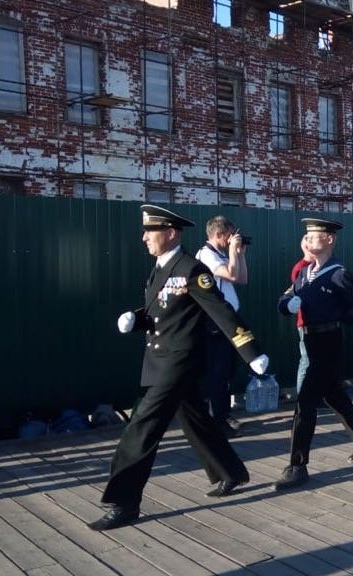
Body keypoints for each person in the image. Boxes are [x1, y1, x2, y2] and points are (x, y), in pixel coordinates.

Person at [89, 205, 269, 531]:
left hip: (179, 362)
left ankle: (124, 502)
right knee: (196, 420)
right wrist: (137, 319)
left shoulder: (191, 269)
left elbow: (220, 310)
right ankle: (231, 472)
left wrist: (249, 349)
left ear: (170, 233)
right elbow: (164, 311)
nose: (144, 237)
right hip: (161, 358)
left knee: (142, 427)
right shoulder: (160, 268)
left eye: (150, 231)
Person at [275, 218, 353, 490]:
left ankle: (297, 465)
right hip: (310, 339)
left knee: (304, 402)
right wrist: (287, 306)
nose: (308, 240)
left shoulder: (339, 273)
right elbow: (284, 298)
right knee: (334, 397)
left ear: (330, 240)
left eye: (314, 235)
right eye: (306, 235)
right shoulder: (305, 273)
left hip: (329, 341)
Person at [196, 215, 248, 438]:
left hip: (227, 321)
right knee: (218, 372)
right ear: (218, 234)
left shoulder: (219, 254)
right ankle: (217, 422)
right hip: (214, 323)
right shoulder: (207, 255)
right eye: (230, 235)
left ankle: (223, 415)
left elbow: (242, 278)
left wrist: (240, 254)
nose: (232, 239)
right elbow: (231, 274)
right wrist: (233, 253)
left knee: (227, 370)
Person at [289, 235, 316, 393]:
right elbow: (301, 292)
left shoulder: (316, 265)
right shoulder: (301, 267)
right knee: (306, 361)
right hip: (305, 322)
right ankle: (302, 398)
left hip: (316, 321)